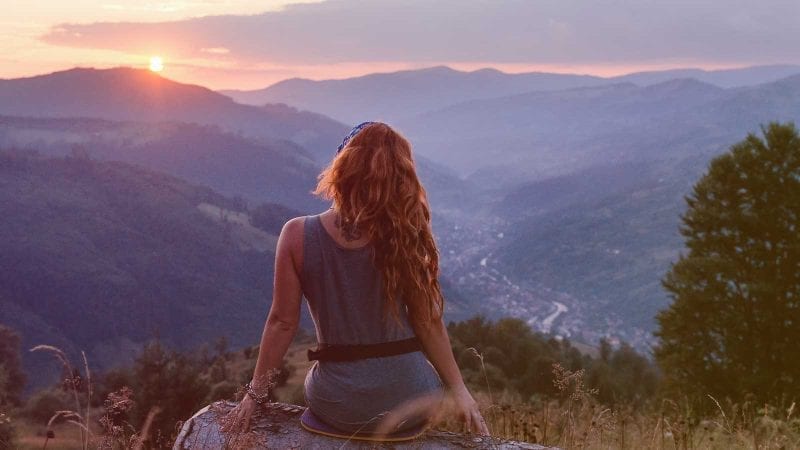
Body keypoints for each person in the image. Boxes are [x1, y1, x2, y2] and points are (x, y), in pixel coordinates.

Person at [222, 122, 489, 437]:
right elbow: (427, 321)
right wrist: (459, 390)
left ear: (340, 169)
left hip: (337, 403)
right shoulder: (404, 235)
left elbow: (282, 322)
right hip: (411, 402)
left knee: (315, 380)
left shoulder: (296, 235)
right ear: (400, 179)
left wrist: (254, 397)